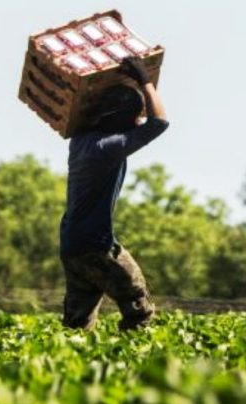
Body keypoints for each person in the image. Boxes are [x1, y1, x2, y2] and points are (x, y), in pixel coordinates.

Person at [59, 57, 169, 331]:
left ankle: (69, 368)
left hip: (72, 243)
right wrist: (145, 80)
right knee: (137, 305)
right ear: (124, 119)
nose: (138, 121)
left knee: (77, 323)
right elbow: (159, 123)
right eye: (135, 117)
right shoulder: (108, 147)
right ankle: (135, 366)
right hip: (97, 244)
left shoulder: (81, 140)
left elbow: (93, 112)